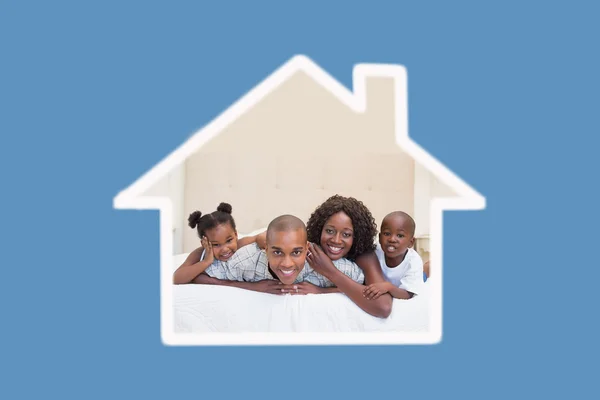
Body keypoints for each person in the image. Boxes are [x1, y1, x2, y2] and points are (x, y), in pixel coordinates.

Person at [194, 214, 364, 293]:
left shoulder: (324, 264)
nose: (287, 263)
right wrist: (251, 286)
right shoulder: (244, 261)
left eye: (297, 252)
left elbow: (362, 286)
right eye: (277, 252)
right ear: (266, 249)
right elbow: (198, 277)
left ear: (306, 248)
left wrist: (321, 291)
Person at [303, 195, 393, 318]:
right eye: (329, 231)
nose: (336, 240)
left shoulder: (365, 256)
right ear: (320, 229)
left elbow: (383, 307)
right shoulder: (311, 249)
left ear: (356, 237)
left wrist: (330, 272)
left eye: (346, 234)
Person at [172, 202, 264, 284]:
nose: (225, 249)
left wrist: (260, 239)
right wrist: (206, 262)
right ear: (204, 243)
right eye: (216, 244)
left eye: (229, 241)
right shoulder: (200, 254)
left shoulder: (241, 244)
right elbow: (176, 278)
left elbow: (261, 237)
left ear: (236, 235)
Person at [363, 211, 424, 300]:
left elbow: (408, 294)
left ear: (411, 242)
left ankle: (427, 269)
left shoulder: (413, 262)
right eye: (387, 234)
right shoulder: (374, 250)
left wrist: (388, 287)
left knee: (423, 277)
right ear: (379, 238)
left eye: (400, 235)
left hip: (411, 278)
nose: (392, 239)